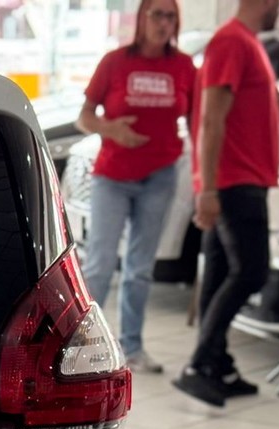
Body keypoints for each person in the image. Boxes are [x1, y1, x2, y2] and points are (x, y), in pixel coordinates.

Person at [176, 0, 279, 406]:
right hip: (235, 183)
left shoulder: (250, 44)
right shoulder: (231, 43)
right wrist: (207, 189)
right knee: (251, 272)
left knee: (219, 274)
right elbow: (211, 119)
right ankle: (200, 364)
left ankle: (217, 365)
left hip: (242, 180)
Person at [76, 0, 196, 374]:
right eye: (157, 14)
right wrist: (110, 129)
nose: (163, 22)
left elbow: (198, 122)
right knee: (100, 264)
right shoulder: (115, 62)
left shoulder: (183, 66)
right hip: (112, 176)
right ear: (141, 18)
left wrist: (204, 175)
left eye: (170, 16)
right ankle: (82, 348)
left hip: (160, 176)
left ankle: (132, 347)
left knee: (140, 268)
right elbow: (84, 117)